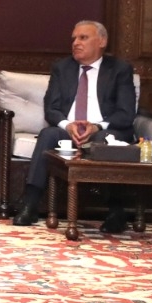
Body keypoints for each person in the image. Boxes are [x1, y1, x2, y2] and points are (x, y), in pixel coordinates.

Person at [12, 20, 137, 232]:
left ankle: (116, 211)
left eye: (83, 38)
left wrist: (97, 127)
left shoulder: (119, 70)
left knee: (103, 141)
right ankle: (30, 204)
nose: (76, 43)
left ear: (102, 41)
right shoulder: (62, 68)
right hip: (68, 131)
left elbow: (126, 113)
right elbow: (51, 108)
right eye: (74, 39)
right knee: (48, 134)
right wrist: (67, 125)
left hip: (103, 131)